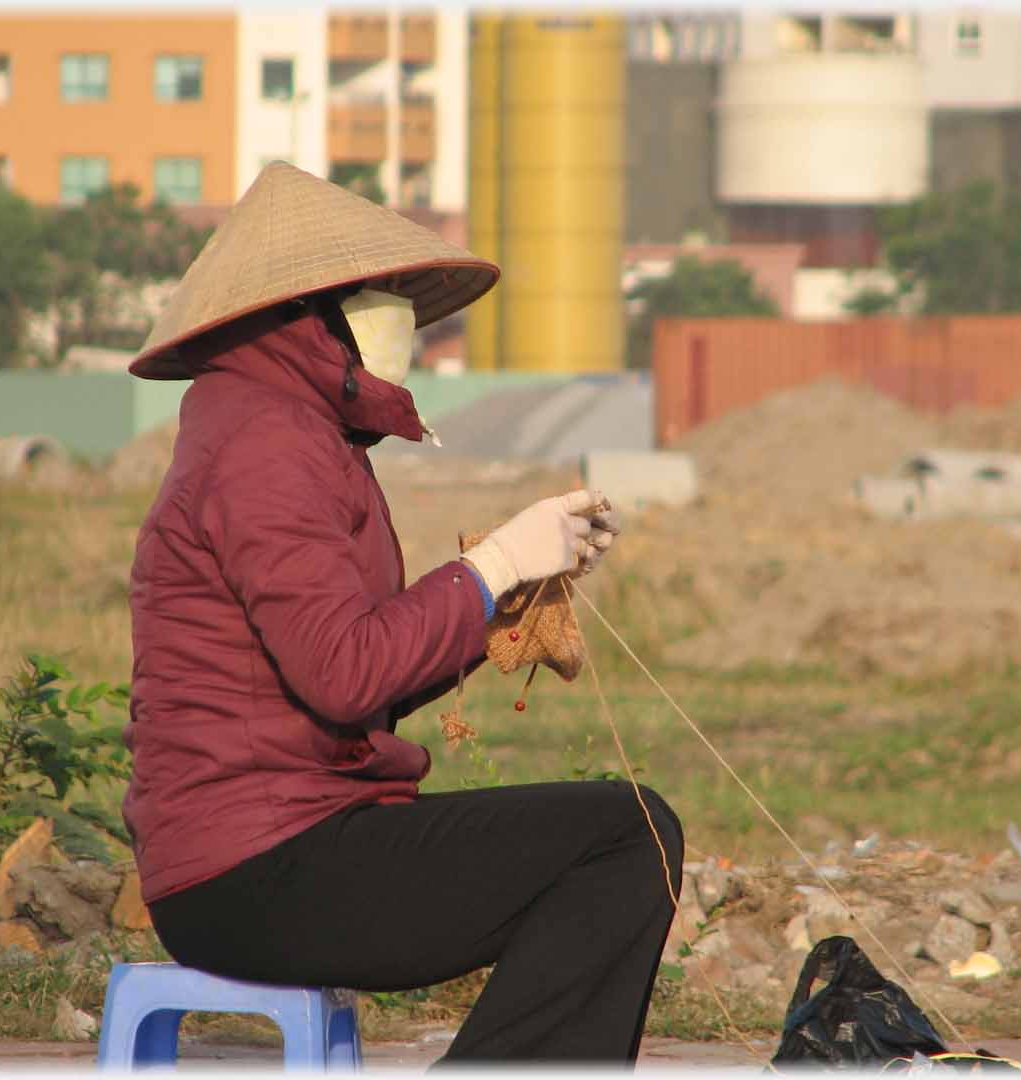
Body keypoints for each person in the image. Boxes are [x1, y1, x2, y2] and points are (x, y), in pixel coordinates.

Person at [122, 163, 684, 1064]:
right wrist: (492, 565)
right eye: (377, 296)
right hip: (257, 865)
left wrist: (503, 603)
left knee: (625, 832)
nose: (402, 318)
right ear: (314, 315)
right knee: (630, 836)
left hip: (288, 840)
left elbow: (358, 670)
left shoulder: (292, 432)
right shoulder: (266, 445)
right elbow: (348, 676)